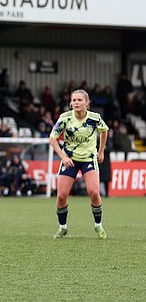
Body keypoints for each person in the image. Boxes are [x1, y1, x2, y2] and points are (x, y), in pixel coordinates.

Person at [49, 89, 109, 239]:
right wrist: (63, 157)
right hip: (70, 159)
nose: (76, 102)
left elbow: (104, 131)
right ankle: (62, 227)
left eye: (79, 100)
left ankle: (98, 226)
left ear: (87, 103)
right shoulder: (65, 118)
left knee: (94, 192)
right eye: (74, 100)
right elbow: (52, 138)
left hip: (89, 158)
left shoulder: (95, 118)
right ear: (71, 103)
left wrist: (101, 152)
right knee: (61, 195)